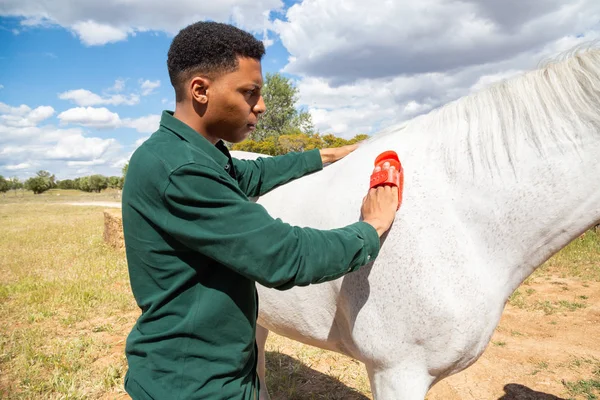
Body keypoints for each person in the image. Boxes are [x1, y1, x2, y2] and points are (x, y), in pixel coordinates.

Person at [121, 21, 398, 400]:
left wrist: (328, 155)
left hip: (204, 368)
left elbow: (251, 172)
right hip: (197, 385)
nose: (261, 106)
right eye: (249, 92)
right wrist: (371, 228)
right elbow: (282, 255)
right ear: (200, 90)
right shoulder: (181, 170)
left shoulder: (181, 152)